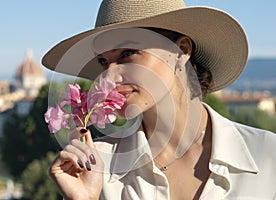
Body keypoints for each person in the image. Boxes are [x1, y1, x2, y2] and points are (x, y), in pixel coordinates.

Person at [42, 0, 276, 199]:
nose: (109, 76)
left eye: (127, 53)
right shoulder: (96, 166)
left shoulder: (267, 155)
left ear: (181, 50)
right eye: (103, 62)